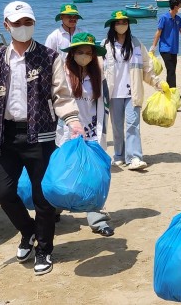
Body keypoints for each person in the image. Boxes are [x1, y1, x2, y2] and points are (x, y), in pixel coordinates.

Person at [0, 1, 84, 276]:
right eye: (17, 23)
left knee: (43, 198)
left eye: (28, 22)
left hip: (41, 135)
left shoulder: (50, 58)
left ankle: (44, 250)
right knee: (3, 192)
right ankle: (29, 232)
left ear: (34, 24)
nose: (23, 27)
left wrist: (73, 122)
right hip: (4, 137)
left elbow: (61, 95)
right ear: (6, 25)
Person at [56, 32, 114, 237]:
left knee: (93, 176)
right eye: (80, 52)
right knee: (64, 173)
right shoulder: (61, 73)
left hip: (91, 132)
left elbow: (103, 105)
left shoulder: (98, 74)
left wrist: (100, 132)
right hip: (66, 132)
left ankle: (96, 217)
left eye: (88, 53)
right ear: (72, 53)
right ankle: (54, 210)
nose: (84, 56)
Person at [101, 10, 164, 171]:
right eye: (118, 22)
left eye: (124, 22)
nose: (121, 25)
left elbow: (147, 67)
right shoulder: (105, 45)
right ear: (113, 25)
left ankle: (134, 157)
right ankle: (119, 156)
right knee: (116, 126)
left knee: (132, 125)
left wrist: (157, 83)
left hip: (132, 92)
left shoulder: (136, 44)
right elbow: (98, 69)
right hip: (113, 93)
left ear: (128, 25)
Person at [149, 0, 181, 88]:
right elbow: (158, 32)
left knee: (172, 70)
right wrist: (153, 47)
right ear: (176, 6)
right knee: (171, 69)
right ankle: (172, 90)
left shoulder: (178, 19)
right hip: (165, 48)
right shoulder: (164, 18)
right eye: (180, 6)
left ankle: (170, 90)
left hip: (174, 49)